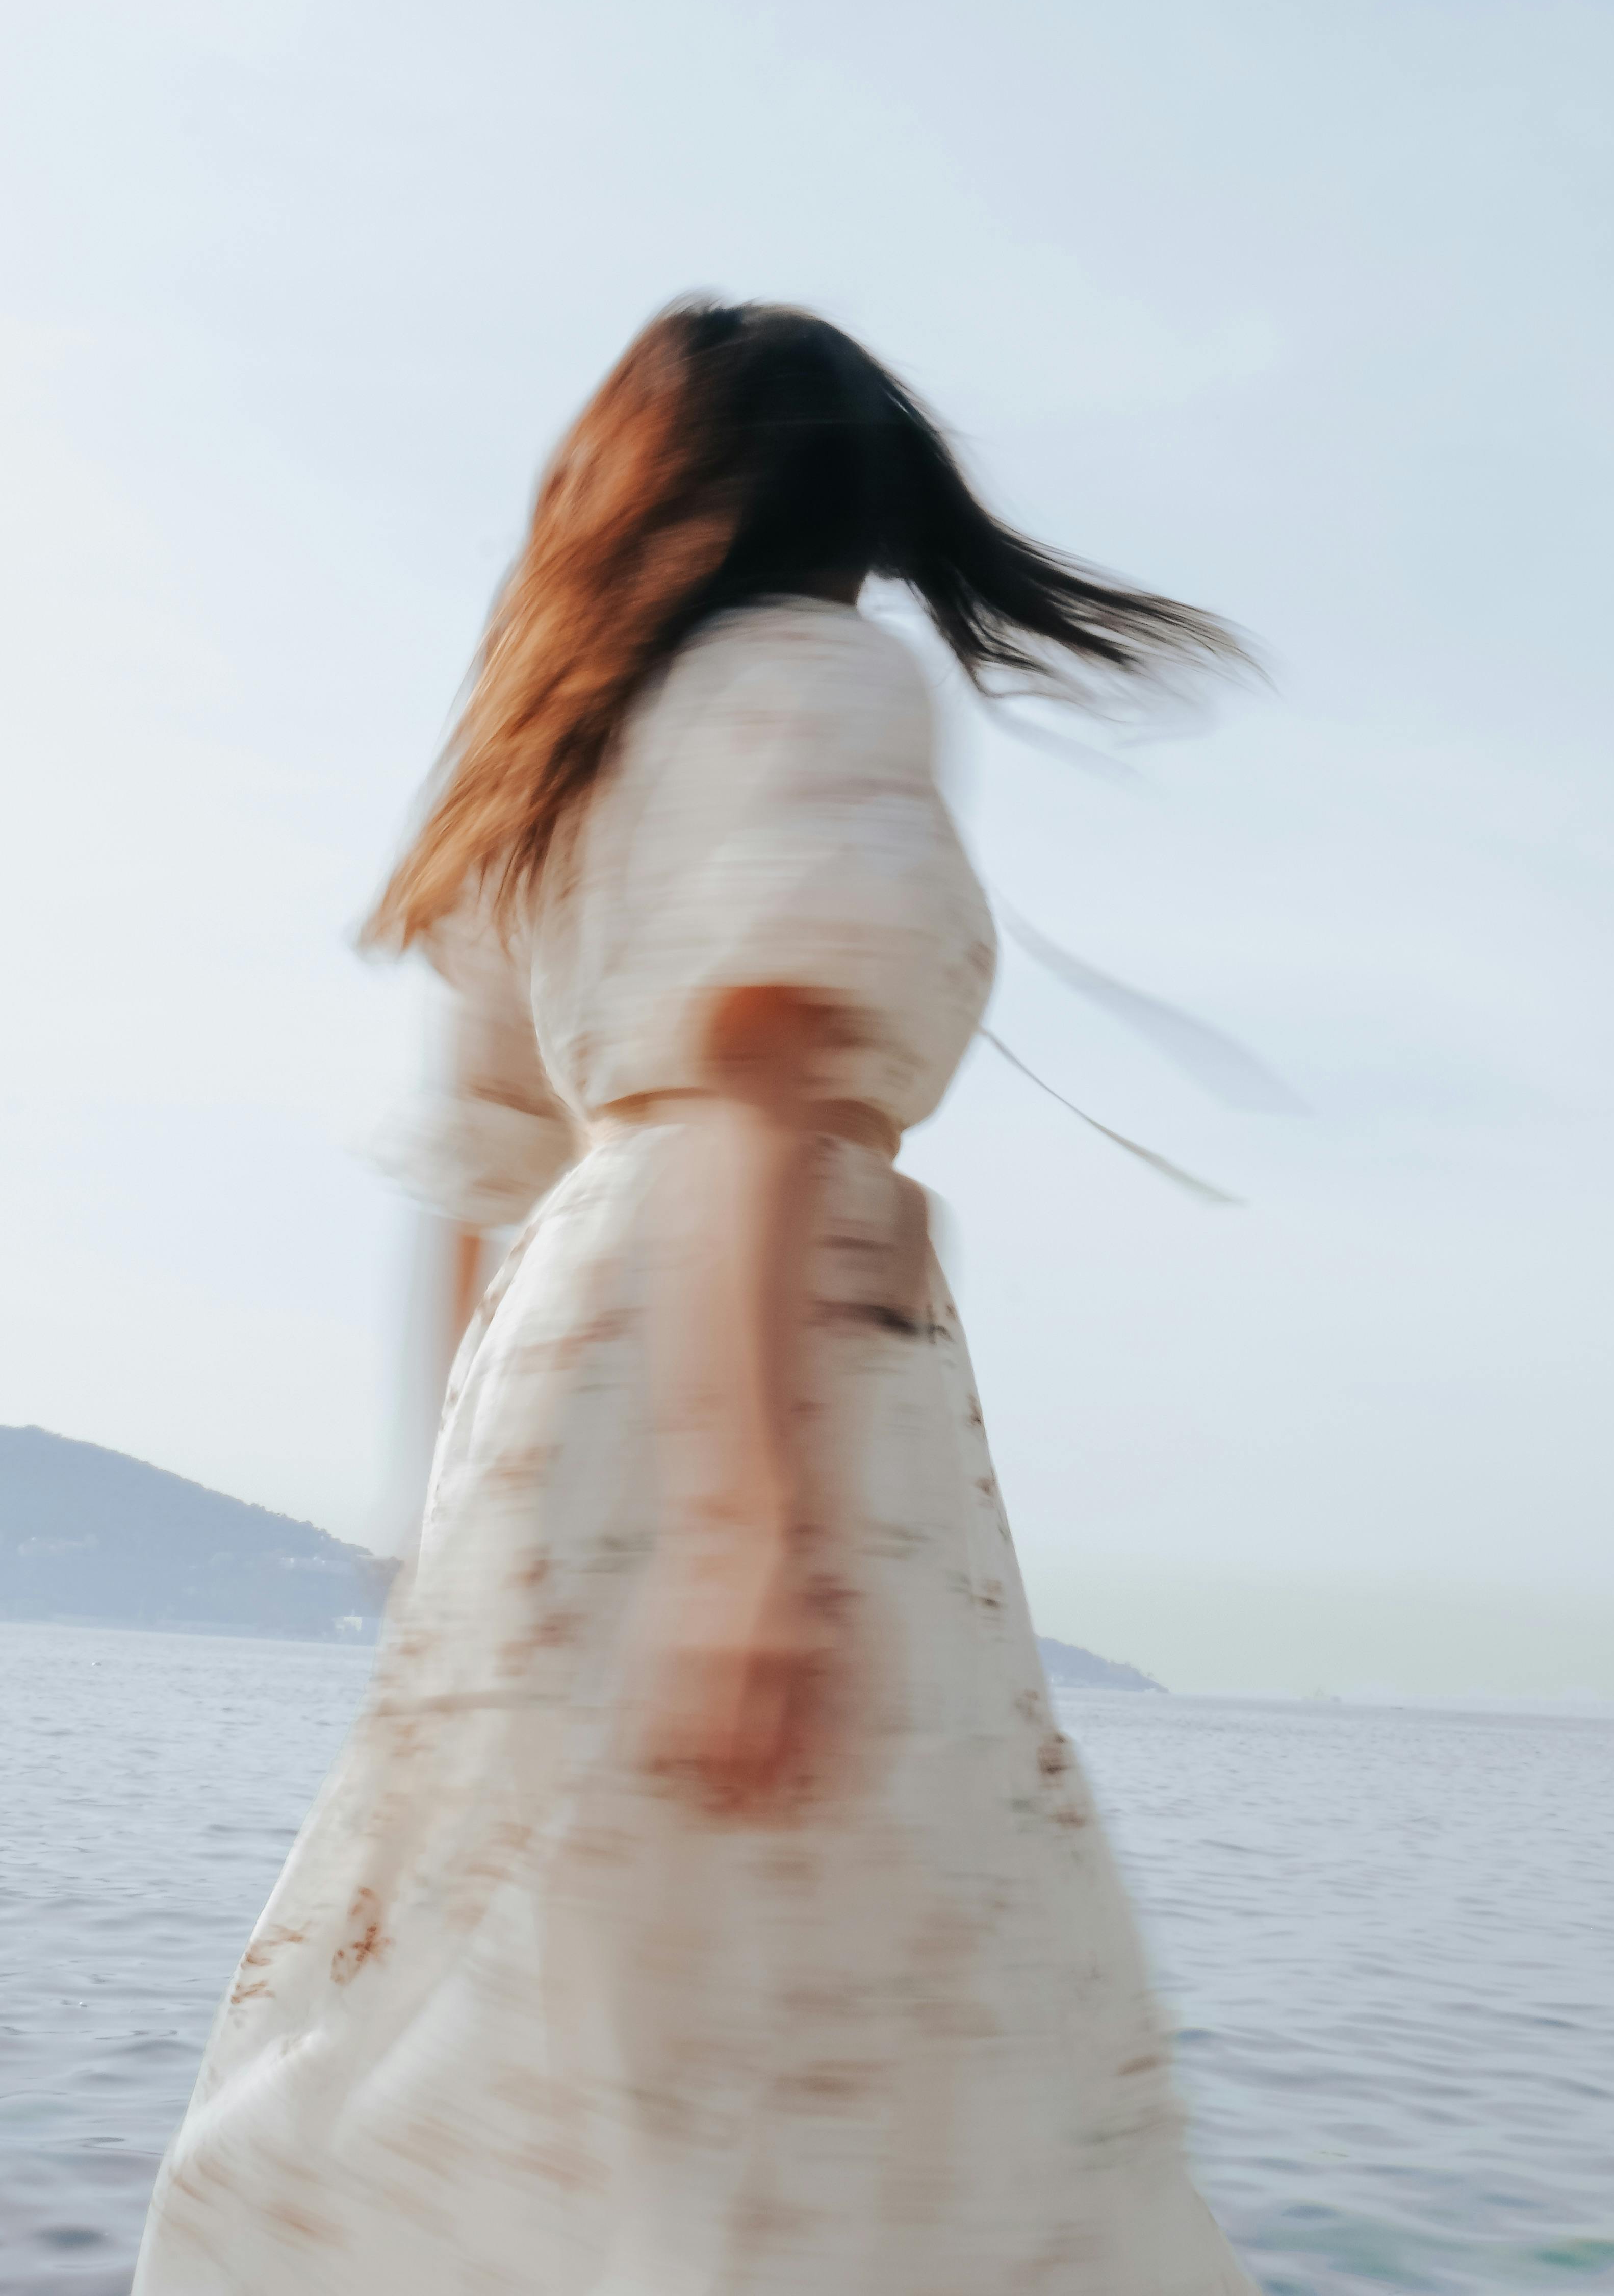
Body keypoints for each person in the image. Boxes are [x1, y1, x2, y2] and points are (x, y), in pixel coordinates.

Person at [134, 300, 1258, 2294]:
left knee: (560, 1984)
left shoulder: (553, 779)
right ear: (857, 505)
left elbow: (474, 1195)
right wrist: (752, 1531)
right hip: (761, 1358)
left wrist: (442, 1543)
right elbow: (754, 1053)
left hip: (553, 1393)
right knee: (815, 1997)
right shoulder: (821, 681)